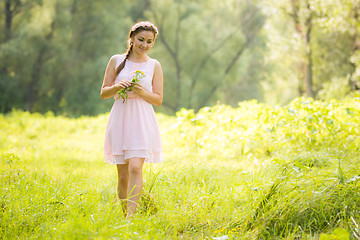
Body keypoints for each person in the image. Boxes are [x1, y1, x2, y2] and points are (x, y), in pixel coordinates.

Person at [100, 21, 164, 219]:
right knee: (123, 174)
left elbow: (158, 99)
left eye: (149, 41)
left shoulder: (154, 65)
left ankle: (131, 218)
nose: (144, 44)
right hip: (121, 117)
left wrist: (142, 91)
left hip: (142, 119)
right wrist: (118, 87)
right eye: (141, 40)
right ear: (132, 38)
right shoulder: (117, 60)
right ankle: (124, 214)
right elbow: (103, 92)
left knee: (136, 167)